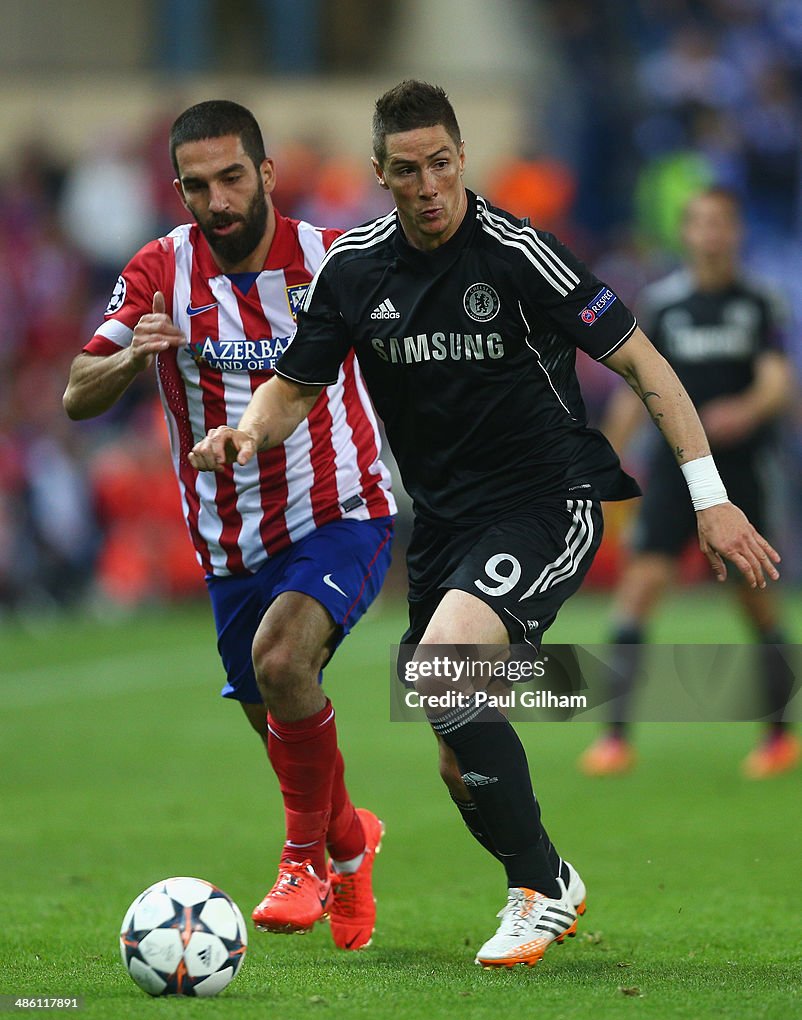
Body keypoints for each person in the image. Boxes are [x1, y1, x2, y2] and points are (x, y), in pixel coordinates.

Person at [189, 81, 780, 968]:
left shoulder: (518, 252)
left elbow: (641, 359)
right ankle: (550, 864)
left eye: (440, 164)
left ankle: (541, 888)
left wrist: (710, 494)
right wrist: (245, 431)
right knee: (458, 753)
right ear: (379, 175)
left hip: (548, 500)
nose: (427, 186)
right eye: (406, 171)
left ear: (461, 159)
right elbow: (295, 385)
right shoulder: (354, 269)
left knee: (441, 672)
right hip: (447, 526)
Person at [62, 100, 396, 951]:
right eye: (199, 185)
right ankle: (350, 846)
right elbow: (75, 391)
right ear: (179, 191)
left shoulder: (332, 261)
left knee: (281, 661)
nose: (219, 200)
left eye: (233, 178)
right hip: (228, 540)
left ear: (268, 174)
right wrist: (134, 356)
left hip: (340, 509)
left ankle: (303, 865)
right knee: (282, 714)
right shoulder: (155, 272)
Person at [579, 187, 798, 780]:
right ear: (686, 234)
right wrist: (609, 459)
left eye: (721, 223)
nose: (711, 234)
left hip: (743, 474)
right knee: (639, 590)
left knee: (755, 601)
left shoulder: (759, 302)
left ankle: (779, 737)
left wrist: (748, 410)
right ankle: (615, 739)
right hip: (678, 478)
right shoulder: (664, 305)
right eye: (700, 223)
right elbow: (634, 383)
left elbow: (779, 381)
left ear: (736, 232)